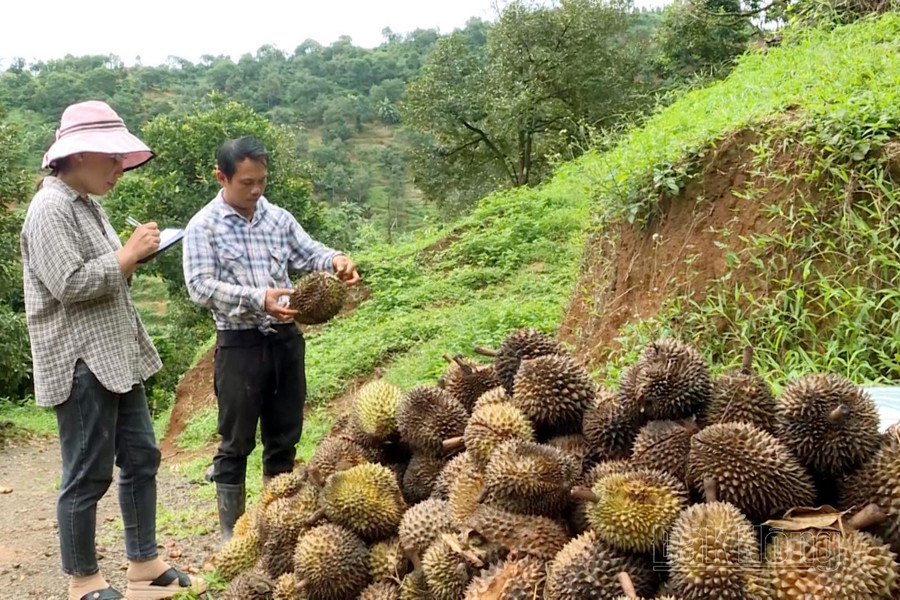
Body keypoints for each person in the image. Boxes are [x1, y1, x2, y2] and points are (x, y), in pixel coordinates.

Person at [19, 100, 206, 600]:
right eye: (113, 157)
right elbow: (69, 284)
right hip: (79, 360)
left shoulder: (87, 205)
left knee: (142, 456)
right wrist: (127, 254)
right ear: (78, 155)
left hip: (115, 354)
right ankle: (83, 580)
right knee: (87, 472)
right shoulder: (50, 208)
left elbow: (106, 272)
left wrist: (134, 252)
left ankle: (143, 563)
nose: (120, 168)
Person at [183, 135, 360, 540]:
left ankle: (275, 526)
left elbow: (308, 251)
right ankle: (234, 535)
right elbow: (199, 287)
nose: (257, 189)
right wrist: (257, 299)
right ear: (221, 177)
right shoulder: (203, 226)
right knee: (236, 443)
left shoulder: (277, 218)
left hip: (285, 341)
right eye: (247, 182)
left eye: (262, 180)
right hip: (239, 346)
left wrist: (335, 259)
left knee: (284, 438)